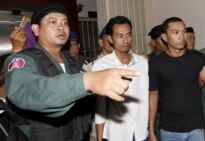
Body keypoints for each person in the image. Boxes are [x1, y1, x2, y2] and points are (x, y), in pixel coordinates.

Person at [3, 3, 141, 141]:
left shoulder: (70, 60)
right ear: (36, 29)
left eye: (65, 22)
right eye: (53, 22)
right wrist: (86, 81)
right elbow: (28, 91)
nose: (61, 27)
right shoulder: (22, 59)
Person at [148, 17, 205, 141]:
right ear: (165, 37)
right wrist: (151, 130)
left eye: (184, 31)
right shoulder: (156, 63)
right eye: (176, 32)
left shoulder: (198, 58)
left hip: (196, 128)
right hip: (169, 129)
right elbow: (153, 95)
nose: (182, 36)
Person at [93, 16, 149, 141]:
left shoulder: (142, 63)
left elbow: (148, 96)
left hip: (141, 133)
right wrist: (99, 138)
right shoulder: (101, 66)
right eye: (120, 36)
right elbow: (100, 106)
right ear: (110, 39)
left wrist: (150, 129)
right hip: (117, 134)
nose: (125, 40)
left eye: (128, 35)